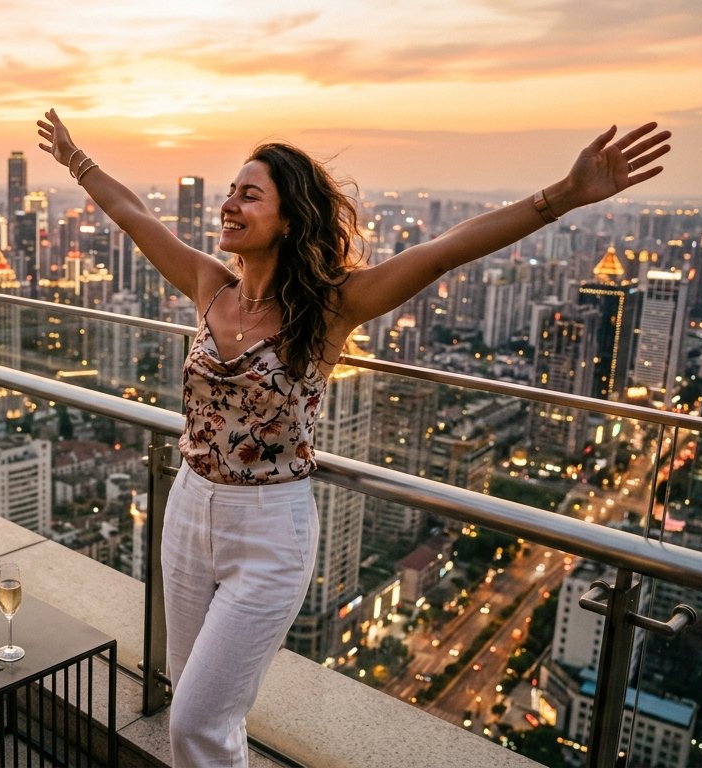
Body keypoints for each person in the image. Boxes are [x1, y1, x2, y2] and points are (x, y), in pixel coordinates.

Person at [37, 109, 669, 766]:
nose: (228, 204)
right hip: (189, 510)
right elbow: (133, 215)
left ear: (289, 219)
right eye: (230, 191)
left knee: (198, 719)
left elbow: (445, 249)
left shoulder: (330, 308)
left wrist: (562, 195)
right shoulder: (210, 287)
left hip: (269, 533)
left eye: (249, 194)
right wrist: (75, 160)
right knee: (190, 700)